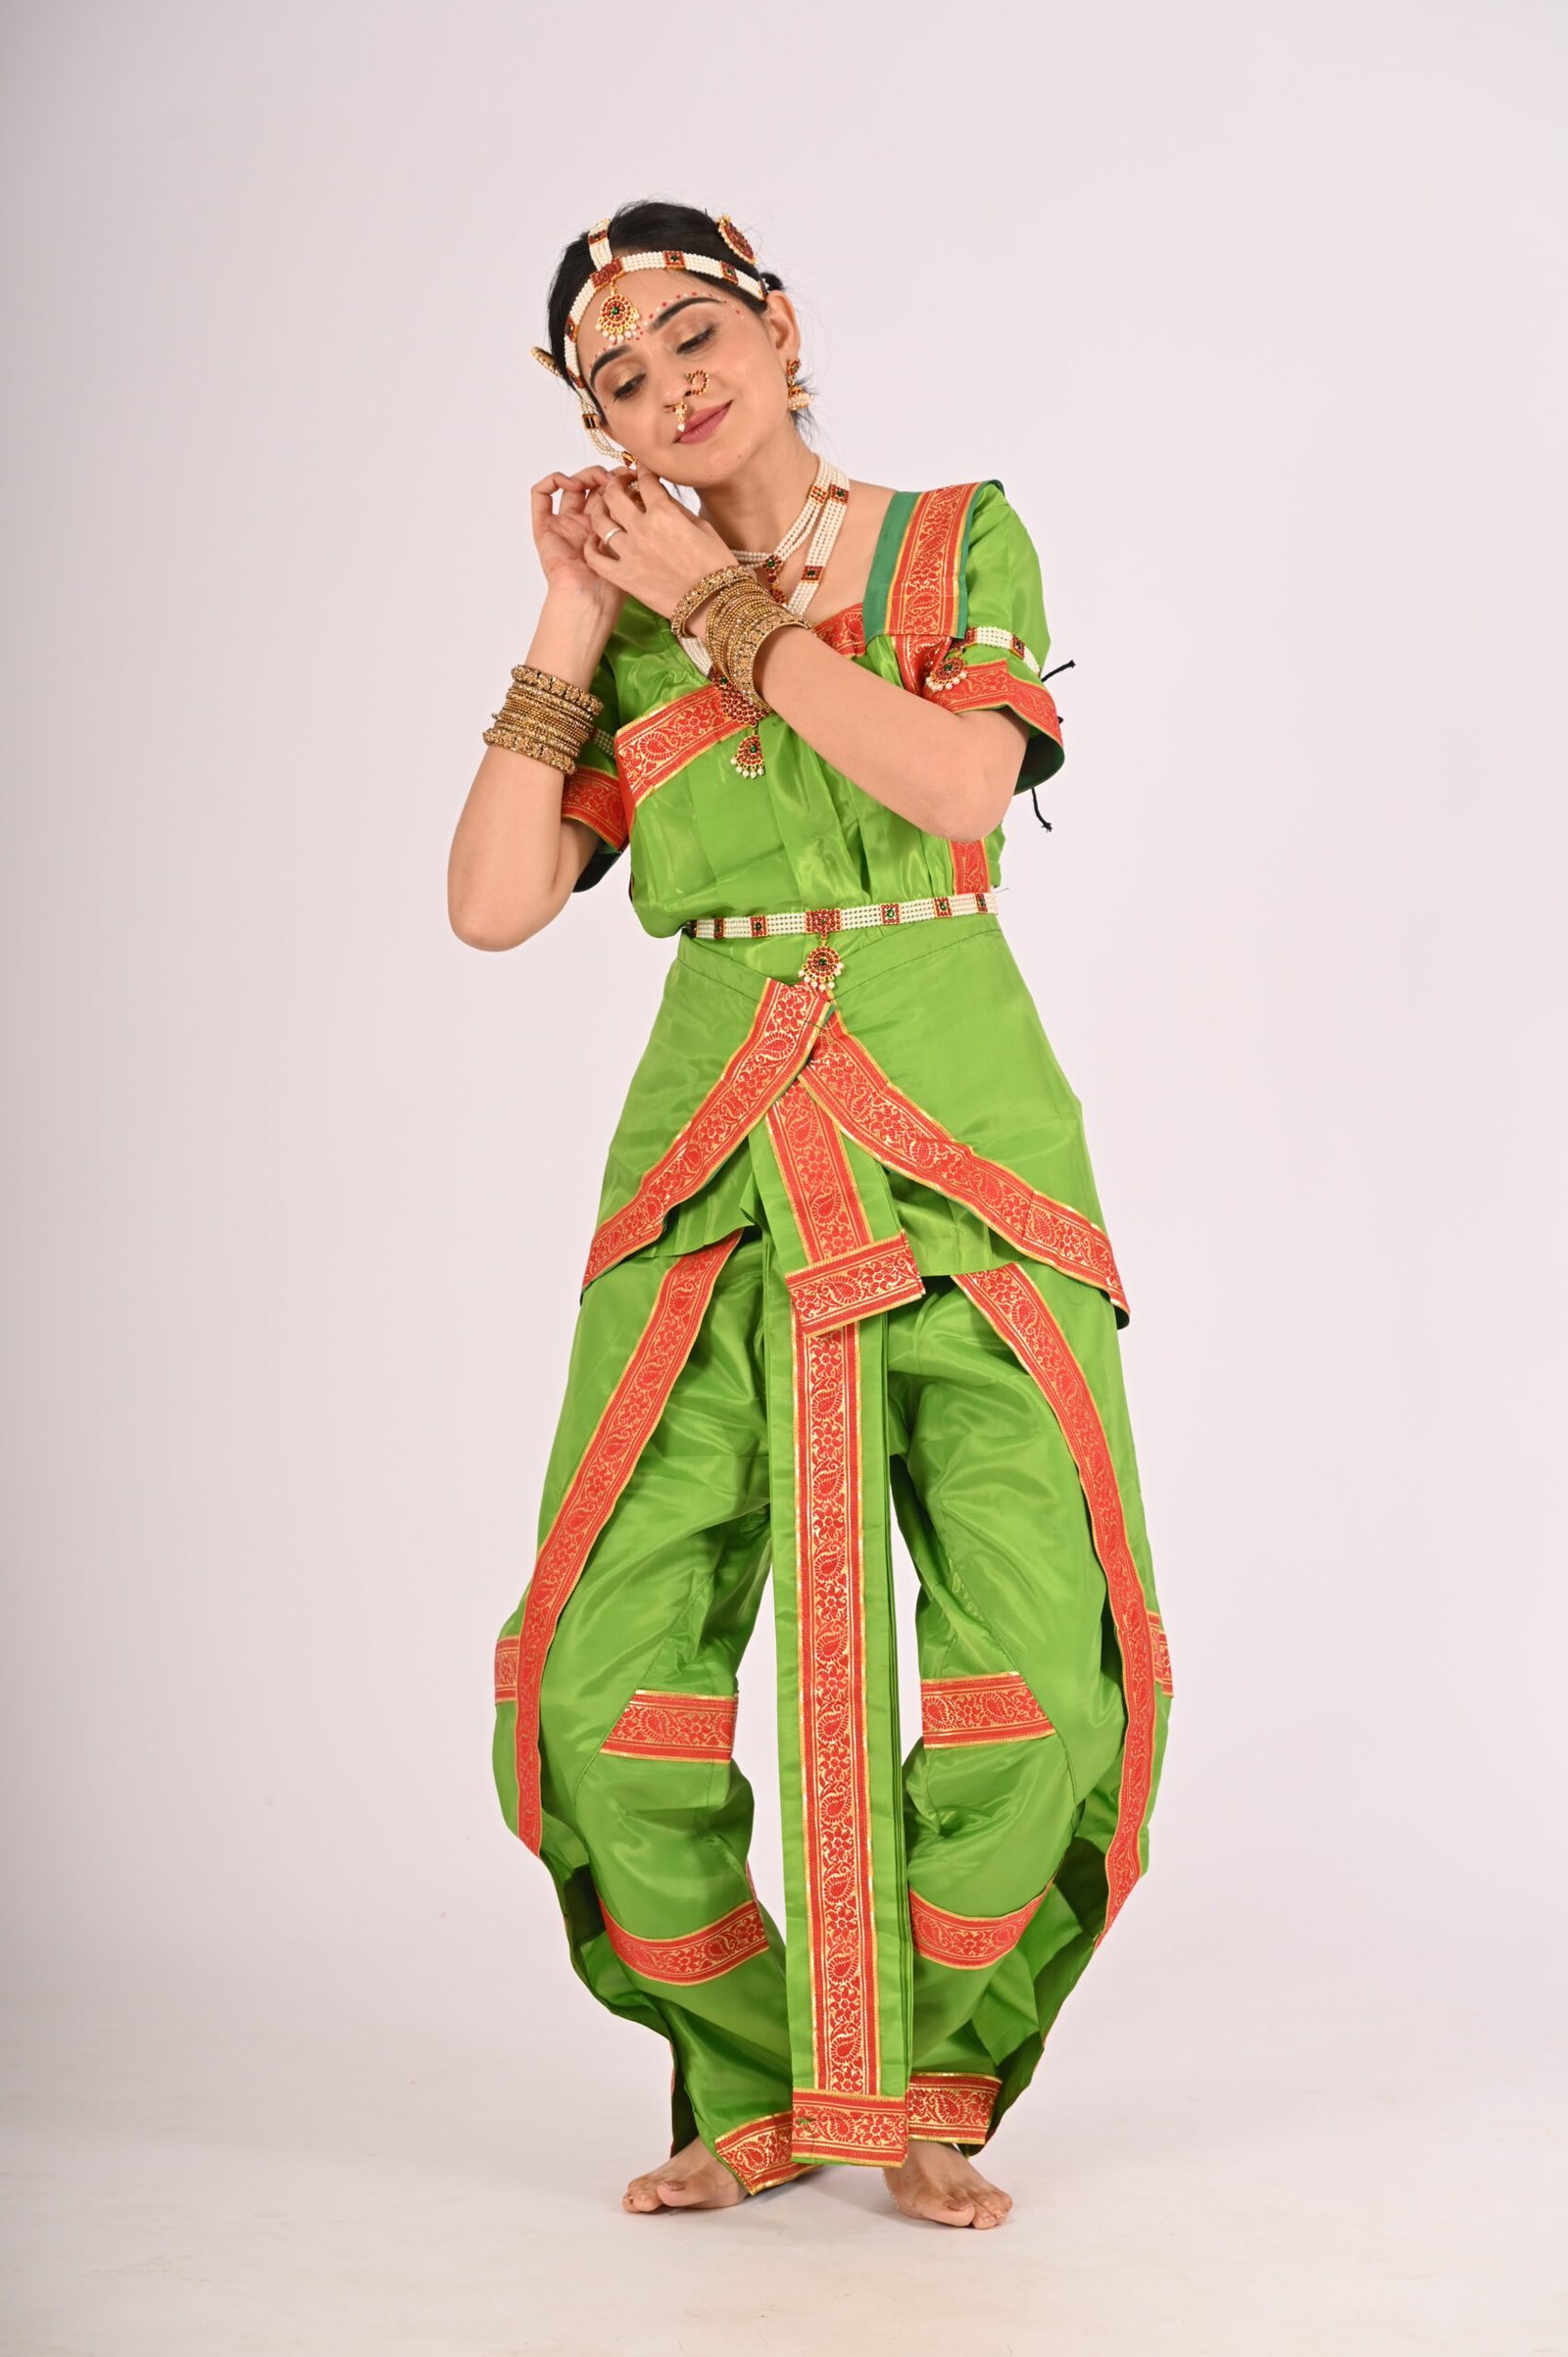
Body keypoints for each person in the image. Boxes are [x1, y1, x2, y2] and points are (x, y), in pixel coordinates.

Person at [448, 200, 1174, 2233]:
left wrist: (728, 610)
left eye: (694, 334)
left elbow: (959, 789)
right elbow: (494, 902)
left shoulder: (951, 540)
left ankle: (931, 2080)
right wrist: (574, 616)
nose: (669, 386)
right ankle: (757, 2079)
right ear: (595, 425)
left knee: (1038, 1662)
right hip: (710, 1162)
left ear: (776, 327)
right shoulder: (628, 610)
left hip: (960, 1141)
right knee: (602, 1678)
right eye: (619, 377)